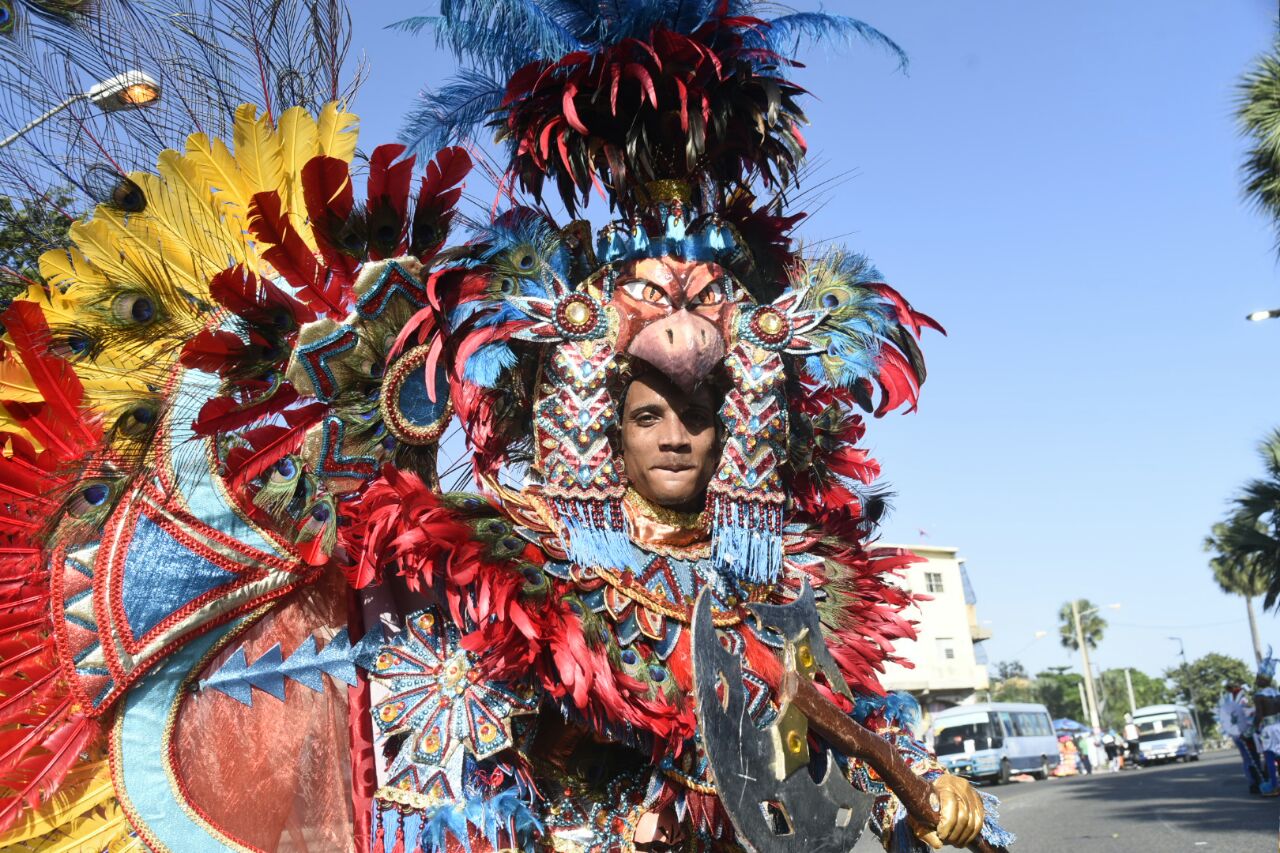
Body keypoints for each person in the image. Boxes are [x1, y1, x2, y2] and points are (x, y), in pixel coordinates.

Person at [0, 3, 1017, 852]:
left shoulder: (791, 578)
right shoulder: (498, 567)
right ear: (597, 420)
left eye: (700, 413)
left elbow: (841, 733)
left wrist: (922, 780)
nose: (675, 435)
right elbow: (456, 791)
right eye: (647, 410)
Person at [1217, 679, 1262, 794]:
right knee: (1253, 757)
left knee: (1247, 758)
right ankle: (1258, 780)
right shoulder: (1243, 698)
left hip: (1236, 733)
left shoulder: (1226, 700)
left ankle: (1253, 782)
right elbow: (1250, 713)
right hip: (1246, 732)